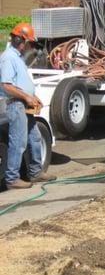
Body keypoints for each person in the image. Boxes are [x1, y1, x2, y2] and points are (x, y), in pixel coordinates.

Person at [0, 23, 56, 189]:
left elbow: (20, 82)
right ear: (19, 40)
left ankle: (35, 172)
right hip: (15, 105)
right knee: (18, 141)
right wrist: (26, 96)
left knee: (34, 137)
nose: (28, 46)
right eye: (27, 42)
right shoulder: (8, 58)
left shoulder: (17, 57)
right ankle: (12, 178)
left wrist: (32, 96)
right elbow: (6, 85)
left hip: (24, 103)